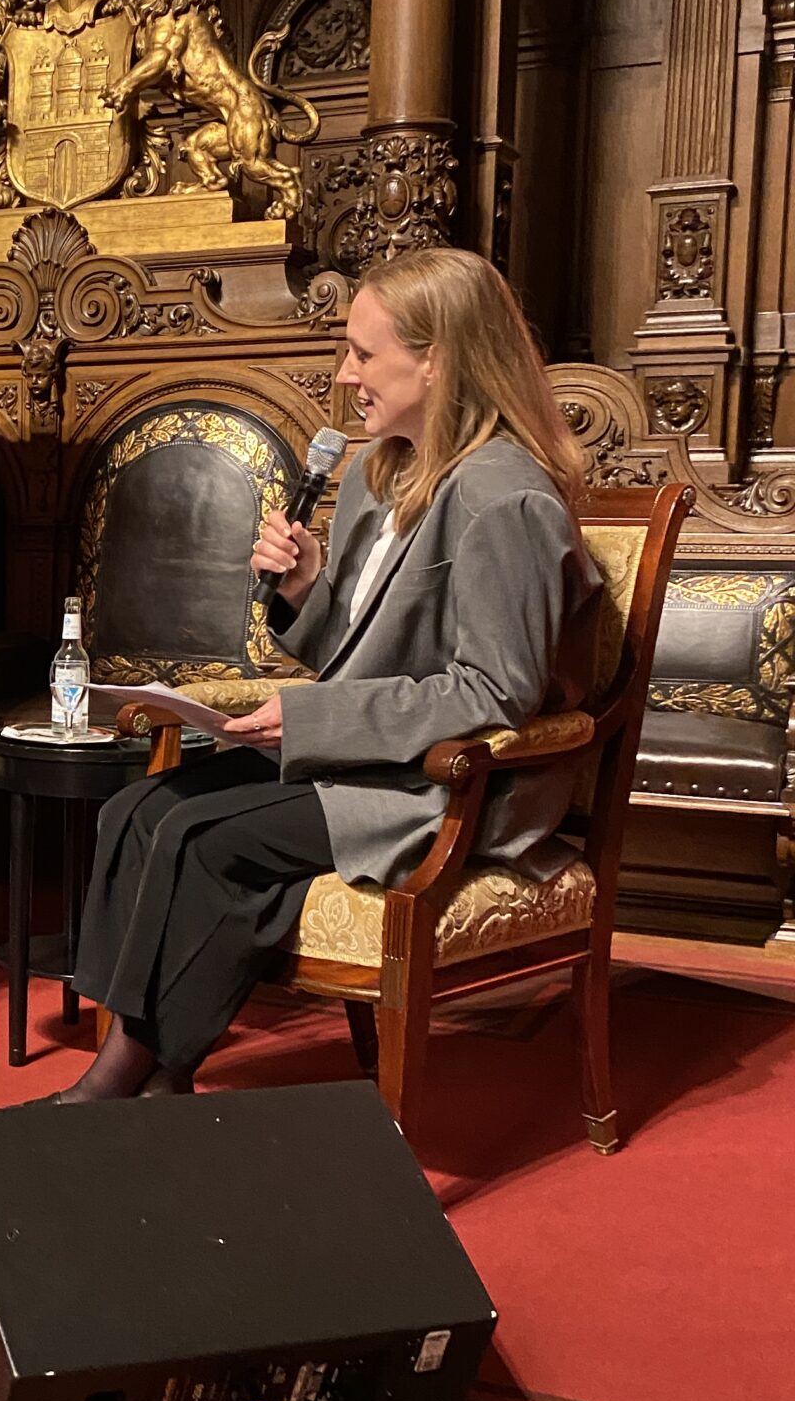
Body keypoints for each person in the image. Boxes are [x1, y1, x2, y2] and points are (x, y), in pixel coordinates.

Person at [53, 246, 600, 1102]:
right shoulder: (381, 478)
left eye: (364, 353)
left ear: (439, 359)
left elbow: (496, 692)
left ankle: (133, 1078)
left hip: (443, 784)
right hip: (369, 756)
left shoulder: (506, 497)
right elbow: (361, 653)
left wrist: (314, 723)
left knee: (203, 839)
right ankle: (150, 1071)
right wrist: (311, 589)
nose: (346, 377)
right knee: (136, 808)